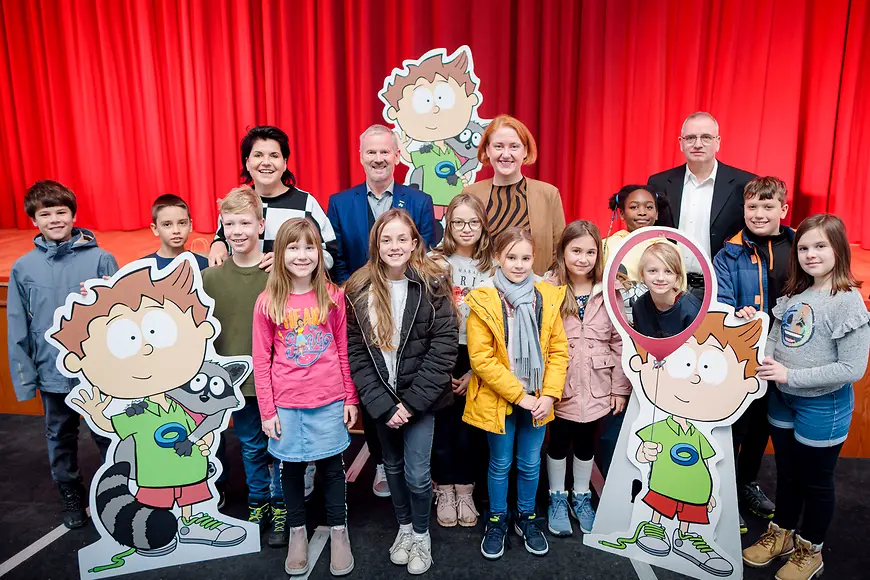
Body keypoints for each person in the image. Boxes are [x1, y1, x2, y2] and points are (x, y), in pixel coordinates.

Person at [743, 214, 870, 580]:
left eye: (820, 246)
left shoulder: (847, 301)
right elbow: (776, 337)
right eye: (803, 248)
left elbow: (852, 368)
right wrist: (758, 343)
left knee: (816, 481)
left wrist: (791, 375)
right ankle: (781, 533)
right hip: (784, 400)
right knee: (787, 473)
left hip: (823, 405)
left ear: (838, 250)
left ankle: (810, 548)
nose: (810, 254)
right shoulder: (796, 294)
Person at [327, 124, 438, 499]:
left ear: (397, 156)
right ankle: (379, 459)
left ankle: (416, 464)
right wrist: (355, 295)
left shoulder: (419, 201)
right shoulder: (340, 203)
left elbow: (424, 256)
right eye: (370, 153)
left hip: (409, 307)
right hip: (361, 308)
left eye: (384, 152)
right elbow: (338, 259)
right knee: (372, 380)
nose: (378, 159)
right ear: (361, 157)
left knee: (407, 379)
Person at [345, 209, 458, 575]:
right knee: (391, 466)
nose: (394, 246)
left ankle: (422, 534)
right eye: (386, 239)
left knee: (417, 475)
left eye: (401, 239)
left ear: (414, 243)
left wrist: (410, 404)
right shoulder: (358, 288)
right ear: (376, 245)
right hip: (381, 401)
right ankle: (405, 528)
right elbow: (356, 351)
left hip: (418, 402)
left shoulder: (432, 284)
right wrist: (383, 404)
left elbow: (443, 347)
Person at [7, 180, 118, 529]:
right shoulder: (24, 268)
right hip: (51, 371)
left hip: (97, 373)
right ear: (34, 220)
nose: (55, 219)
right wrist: (26, 380)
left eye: (61, 212)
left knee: (108, 434)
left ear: (73, 214)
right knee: (60, 436)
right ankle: (71, 494)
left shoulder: (101, 259)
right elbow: (17, 328)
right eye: (45, 214)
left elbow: (121, 316)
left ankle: (116, 493)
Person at [253, 218, 359, 577]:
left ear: (320, 252)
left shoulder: (333, 296)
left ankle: (339, 531)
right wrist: (267, 410)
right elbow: (261, 358)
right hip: (287, 402)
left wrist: (350, 397)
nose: (302, 255)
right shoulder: (268, 301)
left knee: (331, 468)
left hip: (329, 399)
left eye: (309, 247)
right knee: (292, 468)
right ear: (279, 254)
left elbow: (343, 349)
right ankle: (297, 531)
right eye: (293, 247)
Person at [463, 227, 569, 560]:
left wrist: (549, 395)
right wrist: (519, 396)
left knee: (529, 463)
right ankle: (497, 518)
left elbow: (558, 350)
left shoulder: (547, 297)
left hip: (538, 397)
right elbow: (481, 359)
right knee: (500, 463)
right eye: (511, 257)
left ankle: (527, 516)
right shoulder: (483, 299)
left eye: (525, 258)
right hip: (502, 398)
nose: (519, 264)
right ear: (497, 258)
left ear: (533, 258)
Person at [201, 187, 285, 546]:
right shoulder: (210, 279)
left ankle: (282, 506)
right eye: (230, 223)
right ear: (222, 227)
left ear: (261, 225)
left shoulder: (277, 273)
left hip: (280, 380)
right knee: (250, 445)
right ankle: (258, 502)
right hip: (239, 384)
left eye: (245, 223)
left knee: (280, 447)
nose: (237, 230)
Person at [713, 176, 794, 533]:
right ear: (743, 209)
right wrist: (736, 314)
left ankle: (746, 483)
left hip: (787, 356)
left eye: (767, 206)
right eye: (752, 207)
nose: (759, 214)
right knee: (735, 426)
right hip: (744, 357)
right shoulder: (729, 252)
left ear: (783, 209)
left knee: (764, 425)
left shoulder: (799, 246)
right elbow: (721, 304)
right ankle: (722, 493)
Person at [544, 221, 630, 538]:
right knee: (558, 441)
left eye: (590, 252)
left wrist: (620, 388)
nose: (583, 258)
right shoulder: (548, 287)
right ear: (563, 251)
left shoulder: (610, 290)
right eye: (576, 251)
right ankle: (557, 496)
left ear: (599, 254)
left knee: (585, 443)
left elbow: (620, 340)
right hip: (560, 383)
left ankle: (581, 496)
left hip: (598, 383)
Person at [429, 193, 494, 528]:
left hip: (480, 355)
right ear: (448, 225)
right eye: (458, 222)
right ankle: (445, 489)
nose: (466, 229)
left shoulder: (494, 265)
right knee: (442, 427)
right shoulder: (433, 262)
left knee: (471, 429)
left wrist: (476, 371)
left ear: (483, 225)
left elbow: (505, 322)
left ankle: (466, 490)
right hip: (441, 352)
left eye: (473, 222)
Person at [647, 112, 756, 298]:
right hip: (668, 287)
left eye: (706, 137)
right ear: (681, 143)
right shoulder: (659, 183)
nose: (697, 144)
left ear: (718, 142)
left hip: (722, 287)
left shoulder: (744, 183)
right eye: (690, 138)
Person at [208, 125, 337, 275]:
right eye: (258, 155)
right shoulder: (237, 202)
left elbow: (330, 255)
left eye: (274, 155)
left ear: (285, 163)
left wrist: (288, 261)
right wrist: (218, 244)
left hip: (290, 293)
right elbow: (223, 238)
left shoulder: (306, 203)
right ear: (247, 162)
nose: (266, 162)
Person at [462, 115, 566, 276]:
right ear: (487, 150)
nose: (506, 154)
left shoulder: (548, 194)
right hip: (482, 294)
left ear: (525, 151)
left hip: (536, 295)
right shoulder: (470, 194)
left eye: (514, 146)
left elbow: (560, 252)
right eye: (498, 146)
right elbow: (460, 249)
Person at [602, 184, 682, 324]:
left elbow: (679, 290)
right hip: (613, 323)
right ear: (621, 213)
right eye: (634, 207)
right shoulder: (607, 244)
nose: (642, 212)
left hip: (657, 323)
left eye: (649, 207)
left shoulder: (669, 247)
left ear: (657, 213)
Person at [632, 243, 702, 339]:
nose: (660, 278)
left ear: (677, 276)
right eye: (653, 271)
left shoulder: (692, 309)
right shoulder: (639, 306)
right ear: (642, 274)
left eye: (668, 271)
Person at [143, 194, 209, 270]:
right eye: (167, 224)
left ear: (190, 225)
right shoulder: (144, 268)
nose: (176, 231)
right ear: (155, 229)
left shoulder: (204, 265)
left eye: (182, 223)